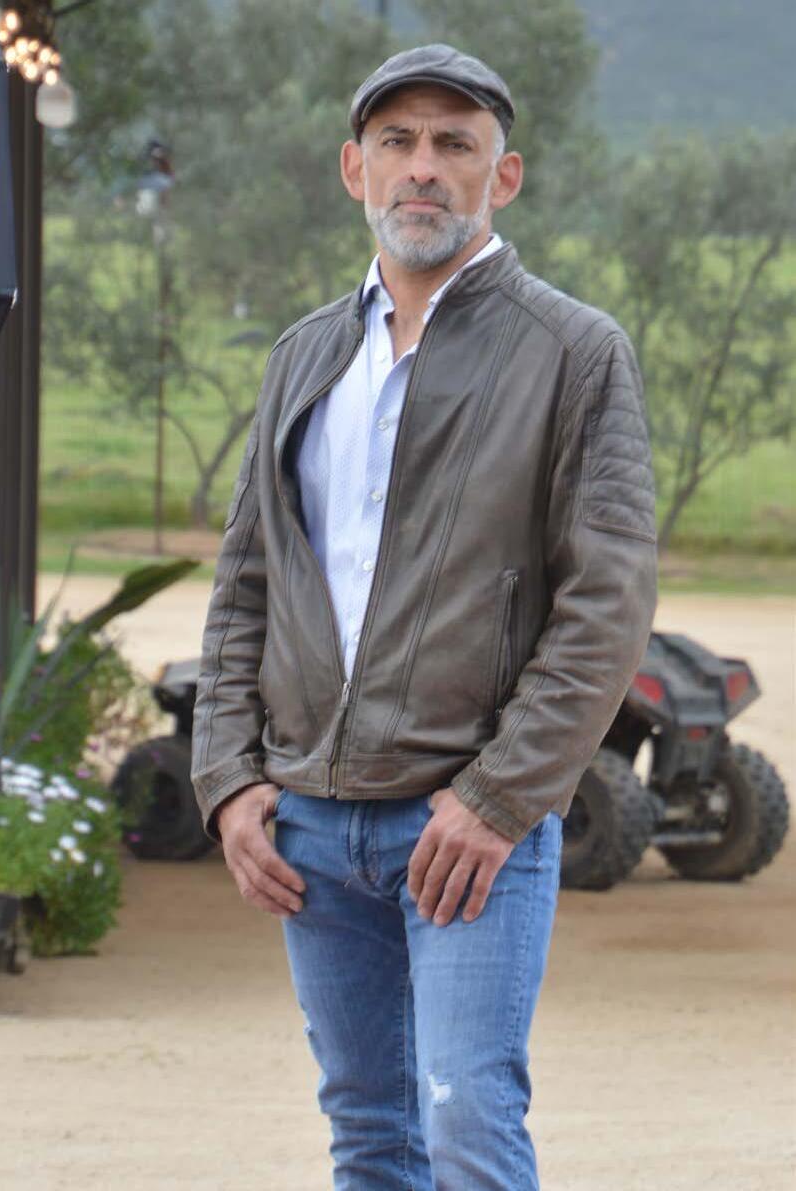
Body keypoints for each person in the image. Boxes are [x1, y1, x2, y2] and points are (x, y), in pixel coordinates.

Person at [191, 43, 657, 1191]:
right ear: (354, 168)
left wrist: (497, 799)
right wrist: (228, 778)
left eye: (455, 144)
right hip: (309, 822)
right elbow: (249, 580)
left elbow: (605, 602)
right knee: (367, 1136)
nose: (422, 167)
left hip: (465, 828)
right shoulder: (304, 355)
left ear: (503, 177)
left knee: (464, 1128)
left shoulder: (573, 353)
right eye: (396, 142)